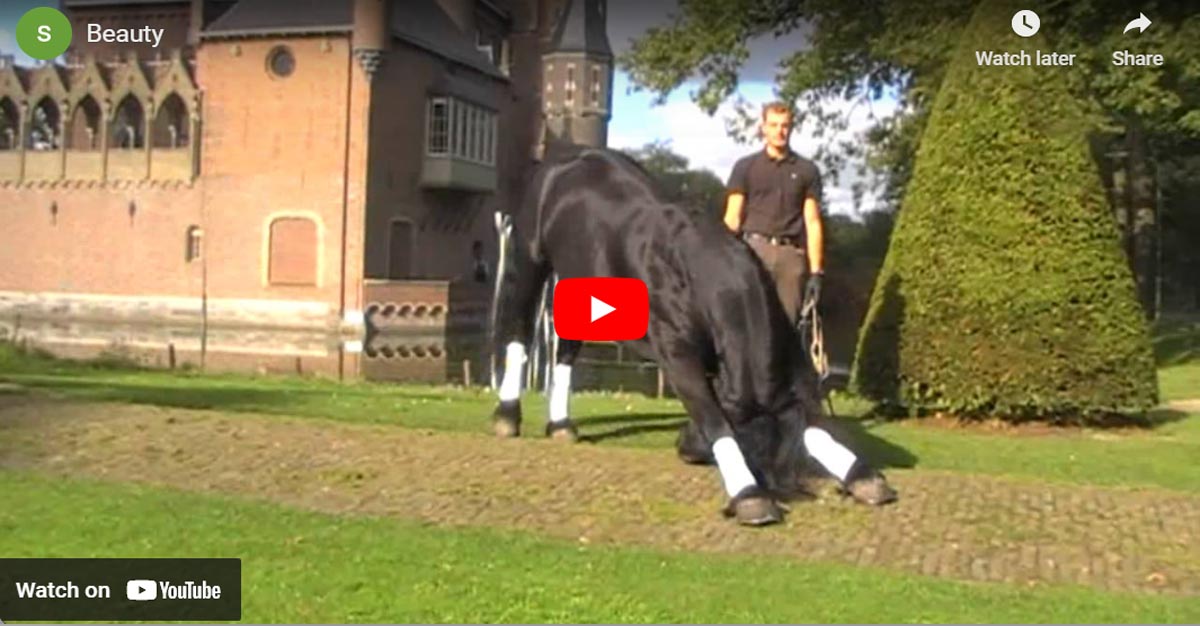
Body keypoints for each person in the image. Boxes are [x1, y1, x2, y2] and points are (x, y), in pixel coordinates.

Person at [723, 102, 825, 326]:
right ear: (763, 128)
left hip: (791, 256)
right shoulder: (745, 167)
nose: (780, 130)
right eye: (774, 125)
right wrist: (722, 256)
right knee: (748, 325)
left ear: (792, 128)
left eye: (785, 125)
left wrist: (817, 272)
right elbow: (732, 218)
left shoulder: (807, 170)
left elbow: (813, 222)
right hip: (753, 251)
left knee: (787, 329)